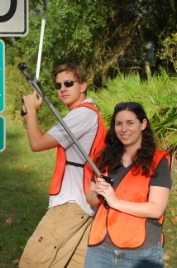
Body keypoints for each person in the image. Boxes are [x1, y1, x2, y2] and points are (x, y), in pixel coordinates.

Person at [19, 63, 106, 267]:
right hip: (81, 206)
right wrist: (29, 114)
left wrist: (31, 110)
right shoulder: (84, 114)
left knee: (33, 262)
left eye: (68, 83)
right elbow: (39, 138)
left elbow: (37, 143)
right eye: (58, 86)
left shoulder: (83, 114)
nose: (63, 89)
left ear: (83, 85)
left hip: (70, 205)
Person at [84, 102, 172, 268]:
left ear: (143, 124)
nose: (124, 129)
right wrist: (98, 193)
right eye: (119, 124)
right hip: (101, 248)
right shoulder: (105, 157)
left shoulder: (158, 161)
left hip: (141, 253)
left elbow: (156, 209)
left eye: (130, 123)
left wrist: (115, 201)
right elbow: (90, 197)